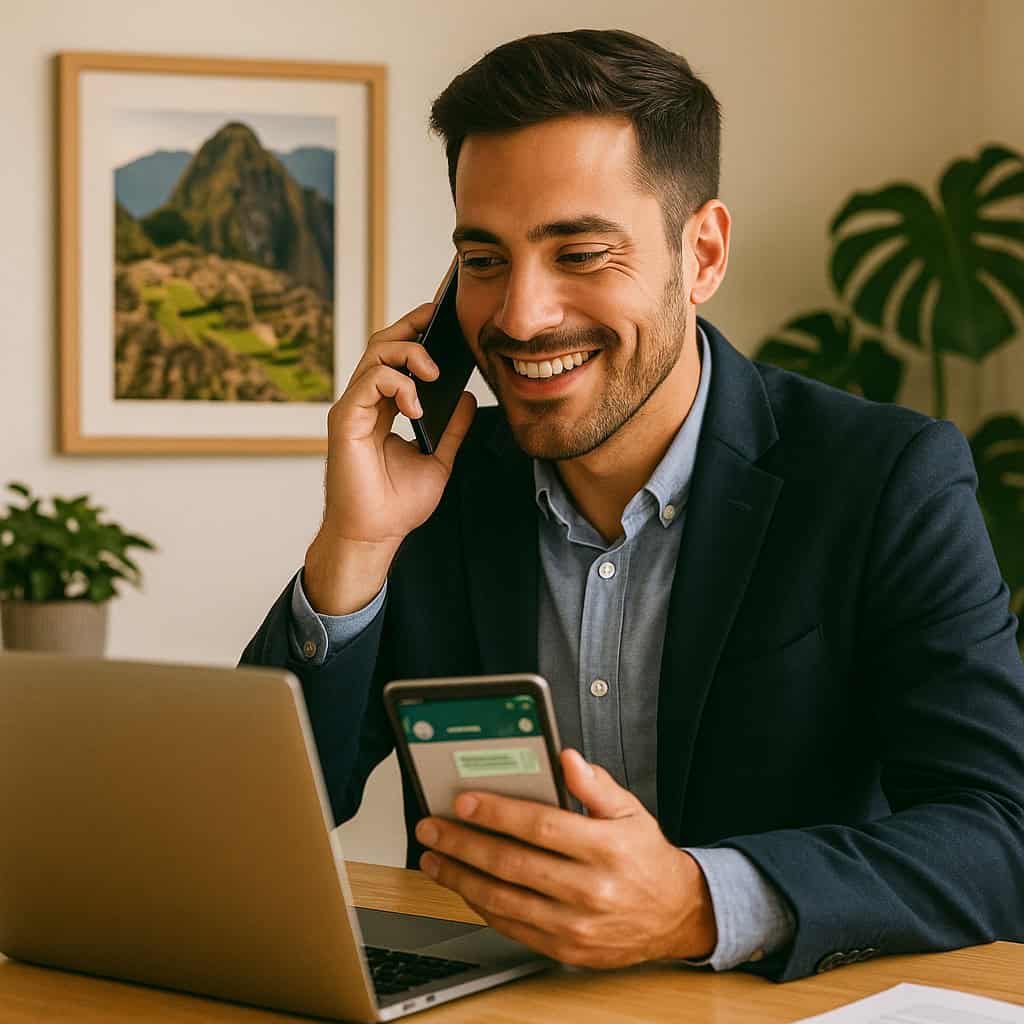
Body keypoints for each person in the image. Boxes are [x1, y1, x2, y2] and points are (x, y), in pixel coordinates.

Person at [241, 29, 1024, 982]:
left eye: (579, 253)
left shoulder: (885, 478)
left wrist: (698, 902)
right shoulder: (434, 494)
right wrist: (354, 546)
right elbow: (250, 823)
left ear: (700, 254)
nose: (521, 317)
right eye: (484, 261)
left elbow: (998, 834)